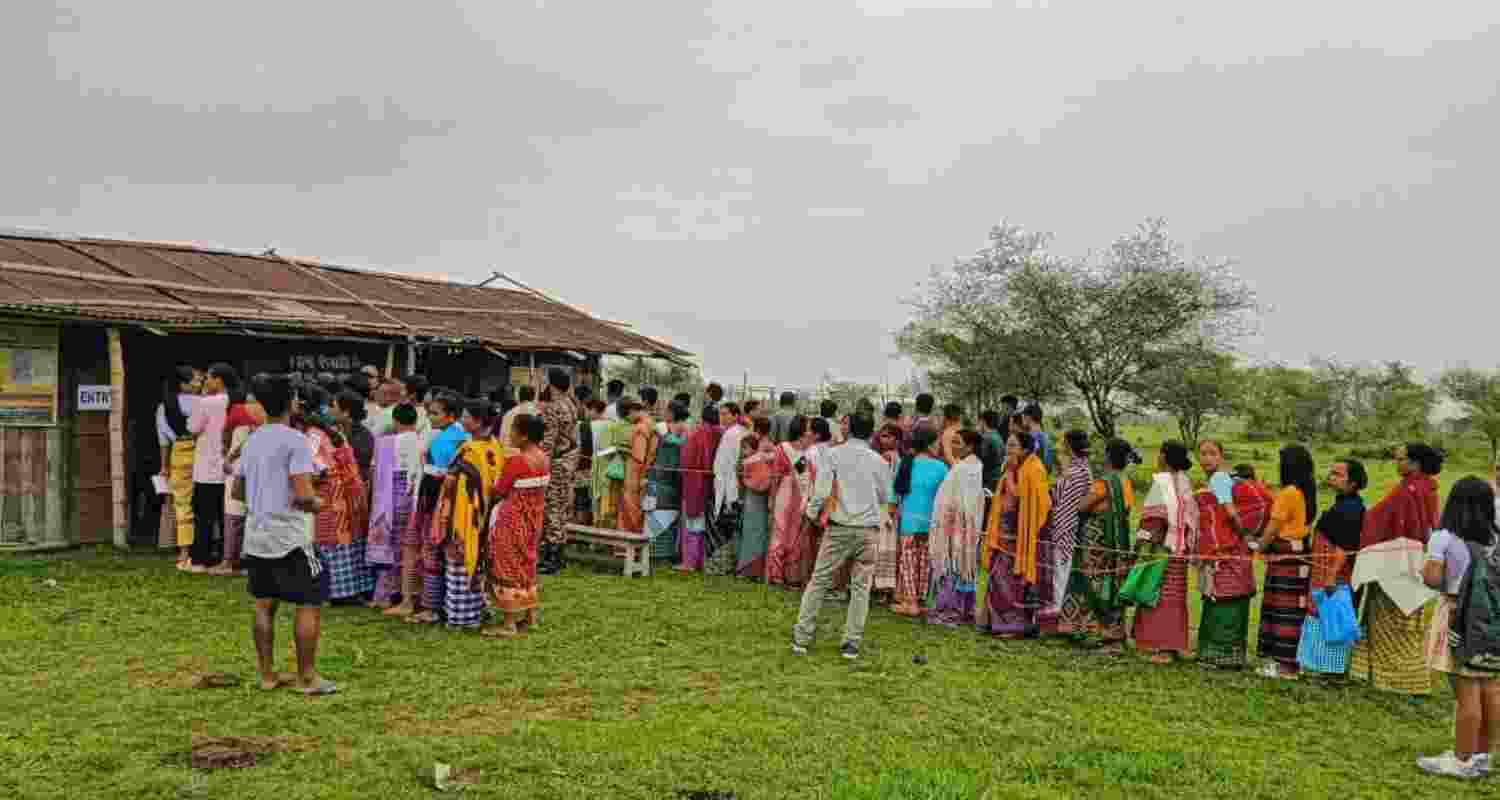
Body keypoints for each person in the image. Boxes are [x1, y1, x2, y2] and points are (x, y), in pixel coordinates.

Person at [235, 375, 336, 696]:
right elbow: (304, 495)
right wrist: (318, 503)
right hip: (290, 536)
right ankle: (306, 678)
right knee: (310, 601)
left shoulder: (252, 440)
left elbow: (238, 490)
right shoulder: (296, 441)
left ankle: (267, 675)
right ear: (291, 401)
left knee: (264, 604)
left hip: (257, 534)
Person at [1416, 478, 1500, 779]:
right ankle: (1482, 756)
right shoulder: (1495, 538)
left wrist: (1425, 566)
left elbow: (1433, 578)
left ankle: (1461, 760)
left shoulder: (1444, 538)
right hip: (1491, 620)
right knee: (1490, 687)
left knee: (1466, 692)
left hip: (1456, 616)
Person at [791, 413, 891, 660]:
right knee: (860, 588)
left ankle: (802, 637)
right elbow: (884, 496)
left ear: (848, 430)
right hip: (868, 530)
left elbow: (822, 490)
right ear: (871, 432)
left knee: (819, 581)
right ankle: (851, 643)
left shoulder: (833, 455)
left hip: (840, 527)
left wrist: (811, 514)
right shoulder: (879, 461)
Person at [1349, 442, 1443, 695]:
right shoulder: (1429, 487)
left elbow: (1379, 519)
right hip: (1418, 561)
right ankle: (1411, 678)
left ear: (1415, 463)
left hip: (1395, 564)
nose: (1397, 463)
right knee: (1410, 622)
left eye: (1401, 459)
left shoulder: (1407, 491)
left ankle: (1394, 679)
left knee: (1390, 620)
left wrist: (1365, 517)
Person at [430, 400, 505, 631]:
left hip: (463, 516)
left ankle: (461, 617)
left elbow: (452, 484)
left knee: (459, 565)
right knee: (478, 562)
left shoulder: (469, 450)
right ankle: (478, 609)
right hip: (485, 514)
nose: (462, 421)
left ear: (478, 421)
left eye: (466, 417)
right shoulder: (495, 446)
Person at [1058, 438, 1138, 653]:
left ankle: (1095, 631)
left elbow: (1082, 506)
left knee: (1092, 583)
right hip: (1118, 541)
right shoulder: (1125, 481)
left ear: (1108, 457)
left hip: (1097, 541)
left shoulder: (1104, 483)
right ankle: (1114, 633)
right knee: (1112, 585)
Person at [1192, 440, 1260, 670]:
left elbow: (1229, 512)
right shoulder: (1214, 480)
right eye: (1202, 454)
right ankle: (1223, 655)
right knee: (1220, 600)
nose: (1207, 458)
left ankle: (1219, 657)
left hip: (1227, 551)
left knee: (1224, 600)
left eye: (1212, 453)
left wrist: (1244, 536)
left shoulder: (1219, 479)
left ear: (1221, 456)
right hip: (1227, 552)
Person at [1297, 458, 1368, 677]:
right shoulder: (1342, 503)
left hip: (1334, 573)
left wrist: (1331, 576)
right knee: (1321, 614)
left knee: (1332, 617)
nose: (1332, 477)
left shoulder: (1351, 509)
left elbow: (1344, 548)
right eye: (1332, 472)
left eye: (1339, 474)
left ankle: (1330, 670)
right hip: (1324, 569)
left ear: (1353, 482)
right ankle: (1318, 666)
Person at [404, 393, 470, 624]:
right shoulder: (459, 436)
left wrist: (426, 509)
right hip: (452, 504)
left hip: (436, 503)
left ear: (451, 416)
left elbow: (436, 478)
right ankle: (439, 604)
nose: (430, 417)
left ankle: (431, 608)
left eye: (435, 413)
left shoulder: (445, 441)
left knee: (432, 554)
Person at [484, 413, 551, 638]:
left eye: (513, 430)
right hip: (533, 519)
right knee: (527, 563)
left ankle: (509, 623)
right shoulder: (543, 458)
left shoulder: (517, 461)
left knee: (506, 566)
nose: (509, 434)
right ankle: (530, 617)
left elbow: (499, 491)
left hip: (512, 519)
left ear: (523, 436)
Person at [980, 430, 1051, 638]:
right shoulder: (1012, 468)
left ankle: (1015, 627)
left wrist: (1010, 477)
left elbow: (1028, 500)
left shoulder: (1034, 469)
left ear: (1025, 449)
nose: (1008, 449)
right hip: (1003, 535)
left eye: (1013, 446)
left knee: (1015, 582)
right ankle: (994, 622)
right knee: (998, 578)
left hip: (1022, 538)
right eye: (1008, 445)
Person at [1132, 441, 1198, 665]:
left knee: (1158, 596)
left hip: (1161, 549)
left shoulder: (1162, 482)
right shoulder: (1185, 481)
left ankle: (1163, 647)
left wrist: (1141, 542)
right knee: (1176, 597)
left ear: (1164, 457)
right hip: (1180, 549)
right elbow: (1191, 517)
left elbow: (1152, 519)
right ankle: (1176, 644)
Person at [304, 412, 373, 604]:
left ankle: (338, 592)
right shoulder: (335, 433)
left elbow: (316, 471)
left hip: (332, 495)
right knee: (350, 540)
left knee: (330, 540)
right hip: (351, 492)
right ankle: (357, 589)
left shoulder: (312, 436)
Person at [927, 429, 985, 626]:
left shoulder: (962, 468)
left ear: (970, 446)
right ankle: (965, 610)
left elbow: (950, 498)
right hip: (969, 525)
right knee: (964, 567)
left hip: (955, 525)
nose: (953, 446)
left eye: (958, 443)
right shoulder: (976, 466)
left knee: (952, 565)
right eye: (953, 442)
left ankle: (949, 611)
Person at [890, 426, 949, 617]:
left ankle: (910, 603)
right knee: (925, 563)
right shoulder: (941, 467)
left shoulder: (906, 463)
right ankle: (921, 601)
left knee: (908, 562)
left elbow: (895, 496)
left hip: (908, 522)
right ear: (931, 443)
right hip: (931, 523)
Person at [365, 403, 420, 610]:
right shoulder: (421, 440)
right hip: (413, 497)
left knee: (389, 546)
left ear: (395, 421)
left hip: (389, 499)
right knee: (408, 546)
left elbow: (373, 472)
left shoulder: (385, 443)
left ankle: (385, 595)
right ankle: (406, 592)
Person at [1041, 430, 1094, 637]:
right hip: (1072, 525)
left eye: (1063, 442)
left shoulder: (1074, 473)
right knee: (1063, 573)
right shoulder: (1083, 469)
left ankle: (1056, 616)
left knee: (1060, 574)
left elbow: (1062, 502)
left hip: (1066, 525)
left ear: (1069, 446)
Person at [213, 384, 266, 577]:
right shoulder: (269, 415)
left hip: (237, 466)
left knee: (233, 512)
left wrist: (228, 454)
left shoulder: (237, 411)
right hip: (258, 468)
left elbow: (227, 437)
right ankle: (248, 560)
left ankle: (229, 561)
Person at [186, 363, 235, 572]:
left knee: (203, 517)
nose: (205, 382)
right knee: (227, 517)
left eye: (208, 378)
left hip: (207, 467)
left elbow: (192, 428)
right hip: (229, 467)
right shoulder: (235, 401)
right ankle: (227, 557)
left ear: (219, 380)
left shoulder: (206, 403)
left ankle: (200, 559)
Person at [538, 368, 581, 575]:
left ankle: (551, 559)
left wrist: (539, 463)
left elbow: (549, 441)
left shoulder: (553, 407)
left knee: (552, 508)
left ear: (551, 383)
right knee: (562, 508)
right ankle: (559, 555)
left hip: (555, 463)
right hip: (569, 462)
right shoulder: (571, 405)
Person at [158, 366, 200, 571]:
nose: (198, 383)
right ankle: (204, 550)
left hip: (178, 454)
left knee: (182, 505)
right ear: (183, 384)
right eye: (194, 380)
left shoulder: (163, 406)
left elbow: (163, 440)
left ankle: (184, 555)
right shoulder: (202, 404)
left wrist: (164, 466)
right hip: (201, 454)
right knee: (204, 502)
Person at [768, 416, 814, 588]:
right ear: (800, 430)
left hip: (801, 495)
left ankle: (791, 575)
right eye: (808, 428)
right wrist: (772, 498)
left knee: (796, 535)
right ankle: (776, 574)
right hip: (785, 494)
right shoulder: (783, 448)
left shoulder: (809, 451)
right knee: (780, 533)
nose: (810, 431)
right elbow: (776, 476)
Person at [678, 405, 724, 572]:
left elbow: (685, 460)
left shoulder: (696, 434)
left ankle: (689, 561)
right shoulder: (721, 433)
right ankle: (702, 561)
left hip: (694, 483)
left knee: (692, 523)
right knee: (708, 524)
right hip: (714, 485)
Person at [645, 404, 689, 565]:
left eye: (666, 411)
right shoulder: (683, 432)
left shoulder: (663, 431)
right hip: (671, 481)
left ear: (671, 413)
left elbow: (671, 443)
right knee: (663, 516)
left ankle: (657, 554)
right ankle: (663, 553)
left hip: (660, 480)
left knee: (657, 515)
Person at [737, 417, 775, 578]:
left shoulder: (752, 459)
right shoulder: (772, 448)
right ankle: (760, 569)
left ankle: (748, 569)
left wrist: (744, 479)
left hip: (753, 497)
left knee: (751, 531)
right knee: (761, 532)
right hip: (764, 497)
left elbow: (752, 481)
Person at [870, 423, 903, 603]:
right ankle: (882, 587)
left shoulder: (889, 458)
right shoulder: (889, 458)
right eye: (882, 436)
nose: (885, 440)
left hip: (886, 507)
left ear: (897, 440)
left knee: (884, 546)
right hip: (887, 505)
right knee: (884, 546)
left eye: (889, 436)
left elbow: (890, 485)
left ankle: (882, 588)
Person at [620, 399, 660, 535]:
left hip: (635, 474)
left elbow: (638, 456)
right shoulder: (653, 425)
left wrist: (626, 452)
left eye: (628, 416)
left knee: (630, 509)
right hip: (647, 472)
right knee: (642, 512)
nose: (629, 420)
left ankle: (625, 548)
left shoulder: (641, 428)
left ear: (632, 411)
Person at [334, 391, 374, 487]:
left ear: (346, 412)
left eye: (334, 407)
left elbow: (359, 470)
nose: (330, 410)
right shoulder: (338, 430)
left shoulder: (363, 437)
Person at [977, 411, 1005, 519]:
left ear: (983, 422)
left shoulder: (986, 438)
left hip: (987, 482)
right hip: (996, 480)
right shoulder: (999, 437)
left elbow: (980, 461)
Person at [1020, 404, 1055, 473]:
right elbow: (1048, 465)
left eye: (1023, 416)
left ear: (1028, 417)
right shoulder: (1046, 436)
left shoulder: (1032, 437)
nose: (1022, 419)